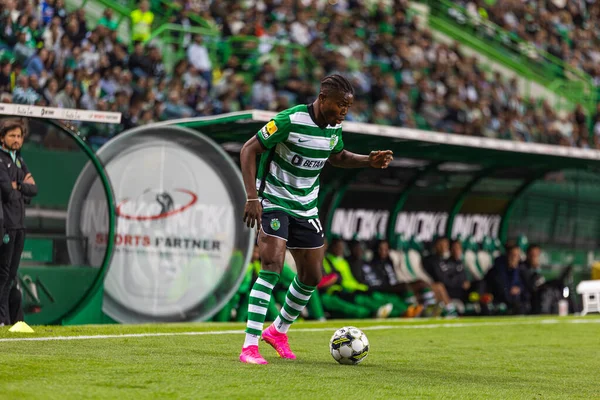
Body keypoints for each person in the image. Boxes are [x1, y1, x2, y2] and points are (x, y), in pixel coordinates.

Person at [238, 74, 393, 364]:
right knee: (271, 265)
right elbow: (249, 149)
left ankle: (278, 331)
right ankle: (249, 346)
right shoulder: (289, 120)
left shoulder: (335, 128)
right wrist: (252, 198)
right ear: (322, 100)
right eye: (340, 106)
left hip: (306, 208)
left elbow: (337, 156)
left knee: (312, 276)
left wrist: (367, 160)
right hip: (274, 200)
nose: (344, 112)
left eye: (348, 107)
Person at [0, 119, 37, 326]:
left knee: (11, 275)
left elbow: (34, 189)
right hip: (6, 225)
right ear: (2, 138)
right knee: (3, 274)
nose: (16, 140)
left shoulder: (19, 160)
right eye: (12, 135)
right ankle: (2, 319)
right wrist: (22, 187)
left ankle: (6, 319)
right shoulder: (1, 159)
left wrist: (19, 187)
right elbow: (6, 190)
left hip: (20, 225)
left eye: (19, 136)